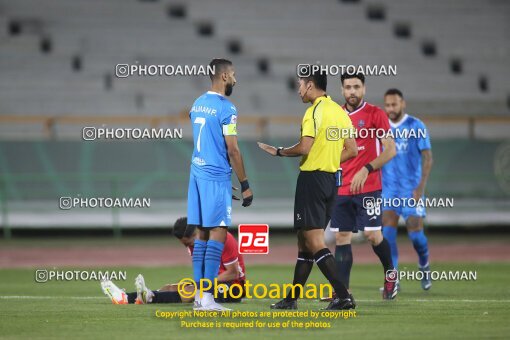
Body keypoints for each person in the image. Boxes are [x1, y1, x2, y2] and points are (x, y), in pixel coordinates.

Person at [258, 66, 358, 310]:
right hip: (330, 181)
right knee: (304, 243)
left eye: (300, 85)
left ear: (311, 85)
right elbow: (352, 150)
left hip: (312, 180)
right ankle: (291, 299)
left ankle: (343, 296)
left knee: (314, 242)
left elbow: (305, 148)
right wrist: (330, 162)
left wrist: (279, 151)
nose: (299, 90)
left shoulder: (313, 112)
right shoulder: (340, 112)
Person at [188, 58, 253, 311]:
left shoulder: (197, 103)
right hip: (214, 174)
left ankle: (199, 297)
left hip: (197, 173)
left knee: (202, 234)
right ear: (224, 76)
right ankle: (207, 298)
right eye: (234, 74)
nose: (236, 79)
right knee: (218, 232)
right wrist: (244, 183)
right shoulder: (227, 108)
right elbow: (233, 149)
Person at [329, 72, 398, 300]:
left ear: (364, 89)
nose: (352, 92)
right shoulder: (336, 115)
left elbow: (390, 150)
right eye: (348, 87)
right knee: (341, 237)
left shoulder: (375, 114)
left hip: (369, 187)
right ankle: (342, 292)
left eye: (356, 87)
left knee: (372, 234)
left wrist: (367, 168)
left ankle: (391, 275)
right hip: (342, 187)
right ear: (342, 90)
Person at [100, 217, 246, 304]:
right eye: (184, 244)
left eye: (189, 243)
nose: (188, 247)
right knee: (170, 287)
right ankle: (125, 298)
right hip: (214, 281)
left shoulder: (224, 238)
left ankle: (150, 298)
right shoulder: (194, 245)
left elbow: (232, 273)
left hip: (234, 287)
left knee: (193, 291)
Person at [382, 88, 433, 290]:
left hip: (411, 191)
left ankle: (425, 266)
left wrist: (420, 187)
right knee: (387, 236)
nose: (391, 108)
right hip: (388, 191)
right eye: (387, 105)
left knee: (416, 237)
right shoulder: (381, 127)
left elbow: (428, 157)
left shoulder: (416, 125)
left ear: (403, 104)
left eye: (394, 104)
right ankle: (393, 278)